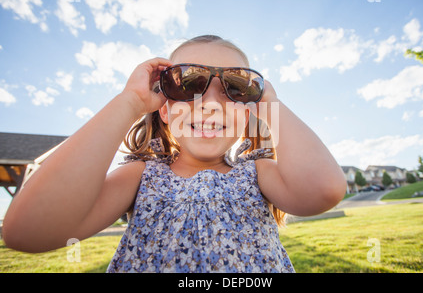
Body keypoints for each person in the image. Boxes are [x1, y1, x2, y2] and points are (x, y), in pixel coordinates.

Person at [2, 35, 347, 272]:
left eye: (236, 88)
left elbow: (324, 190)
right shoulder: (141, 175)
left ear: (248, 112)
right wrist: (129, 102)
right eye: (188, 84)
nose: (210, 104)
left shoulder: (259, 173)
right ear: (165, 110)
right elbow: (28, 231)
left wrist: (271, 102)